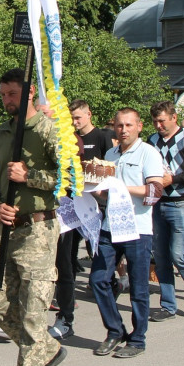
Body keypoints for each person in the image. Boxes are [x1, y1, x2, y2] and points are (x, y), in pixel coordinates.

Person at [0, 68, 66, 366]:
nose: (6, 101)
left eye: (12, 94)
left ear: (28, 93)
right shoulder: (1, 134)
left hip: (39, 231)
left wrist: (29, 176)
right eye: (2, 94)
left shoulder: (49, 130)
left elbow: (69, 179)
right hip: (7, 229)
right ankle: (47, 349)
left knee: (33, 312)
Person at [90, 108, 165, 359]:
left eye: (128, 125)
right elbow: (105, 191)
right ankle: (115, 331)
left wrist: (123, 187)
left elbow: (155, 192)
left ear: (139, 126)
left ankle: (138, 339)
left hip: (137, 229)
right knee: (98, 280)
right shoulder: (111, 154)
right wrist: (92, 188)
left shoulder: (148, 154)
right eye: (119, 125)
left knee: (139, 287)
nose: (123, 130)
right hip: (110, 226)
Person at [46, 99, 114, 340]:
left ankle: (66, 317)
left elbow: (87, 168)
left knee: (66, 262)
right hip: (39, 210)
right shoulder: (30, 136)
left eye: (49, 113)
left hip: (71, 207)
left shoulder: (72, 139)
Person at [148, 100, 184, 322]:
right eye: (155, 121)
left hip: (183, 201)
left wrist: (172, 179)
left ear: (174, 117)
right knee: (161, 256)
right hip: (159, 202)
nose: (158, 126)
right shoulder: (152, 140)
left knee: (179, 254)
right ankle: (168, 305)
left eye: (162, 121)